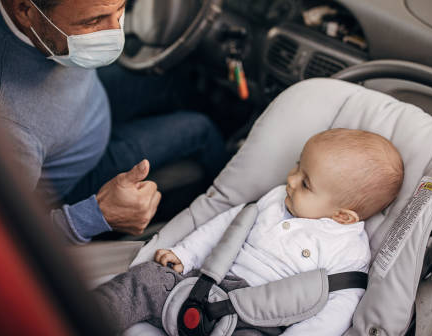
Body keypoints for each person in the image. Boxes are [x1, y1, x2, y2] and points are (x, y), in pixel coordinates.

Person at [0, 0, 227, 244]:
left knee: (175, 76)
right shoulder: (5, 125)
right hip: (80, 174)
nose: (115, 34)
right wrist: (96, 215)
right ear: (24, 10)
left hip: (84, 103)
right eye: (93, 22)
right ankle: (225, 221)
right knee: (201, 129)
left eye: (120, 9)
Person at [94, 128, 405, 335]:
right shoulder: (275, 199)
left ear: (343, 215)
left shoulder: (347, 250)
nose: (291, 179)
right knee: (146, 280)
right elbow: (224, 227)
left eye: (305, 183)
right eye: (297, 167)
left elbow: (339, 306)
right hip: (199, 285)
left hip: (256, 322)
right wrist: (185, 254)